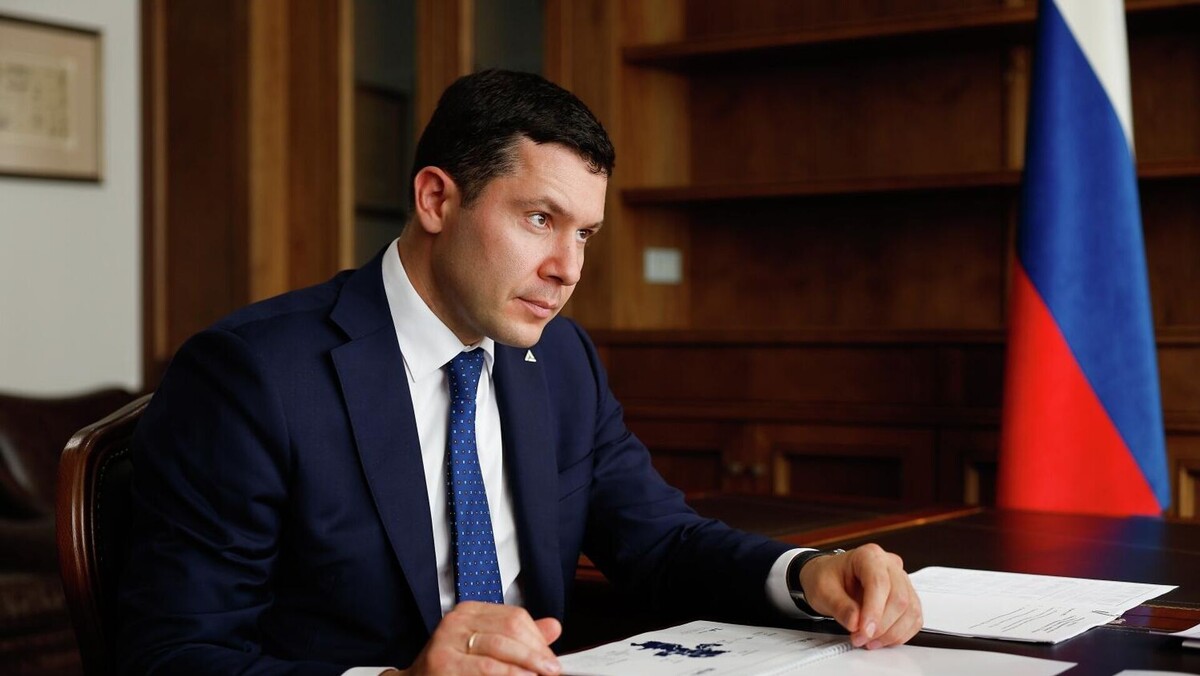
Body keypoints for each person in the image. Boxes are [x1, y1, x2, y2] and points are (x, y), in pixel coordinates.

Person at [119, 69, 921, 675]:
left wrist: (808, 575)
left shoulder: (562, 360)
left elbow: (662, 544)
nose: (567, 268)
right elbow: (173, 653)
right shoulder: (252, 376)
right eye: (540, 218)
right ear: (437, 200)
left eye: (585, 235)